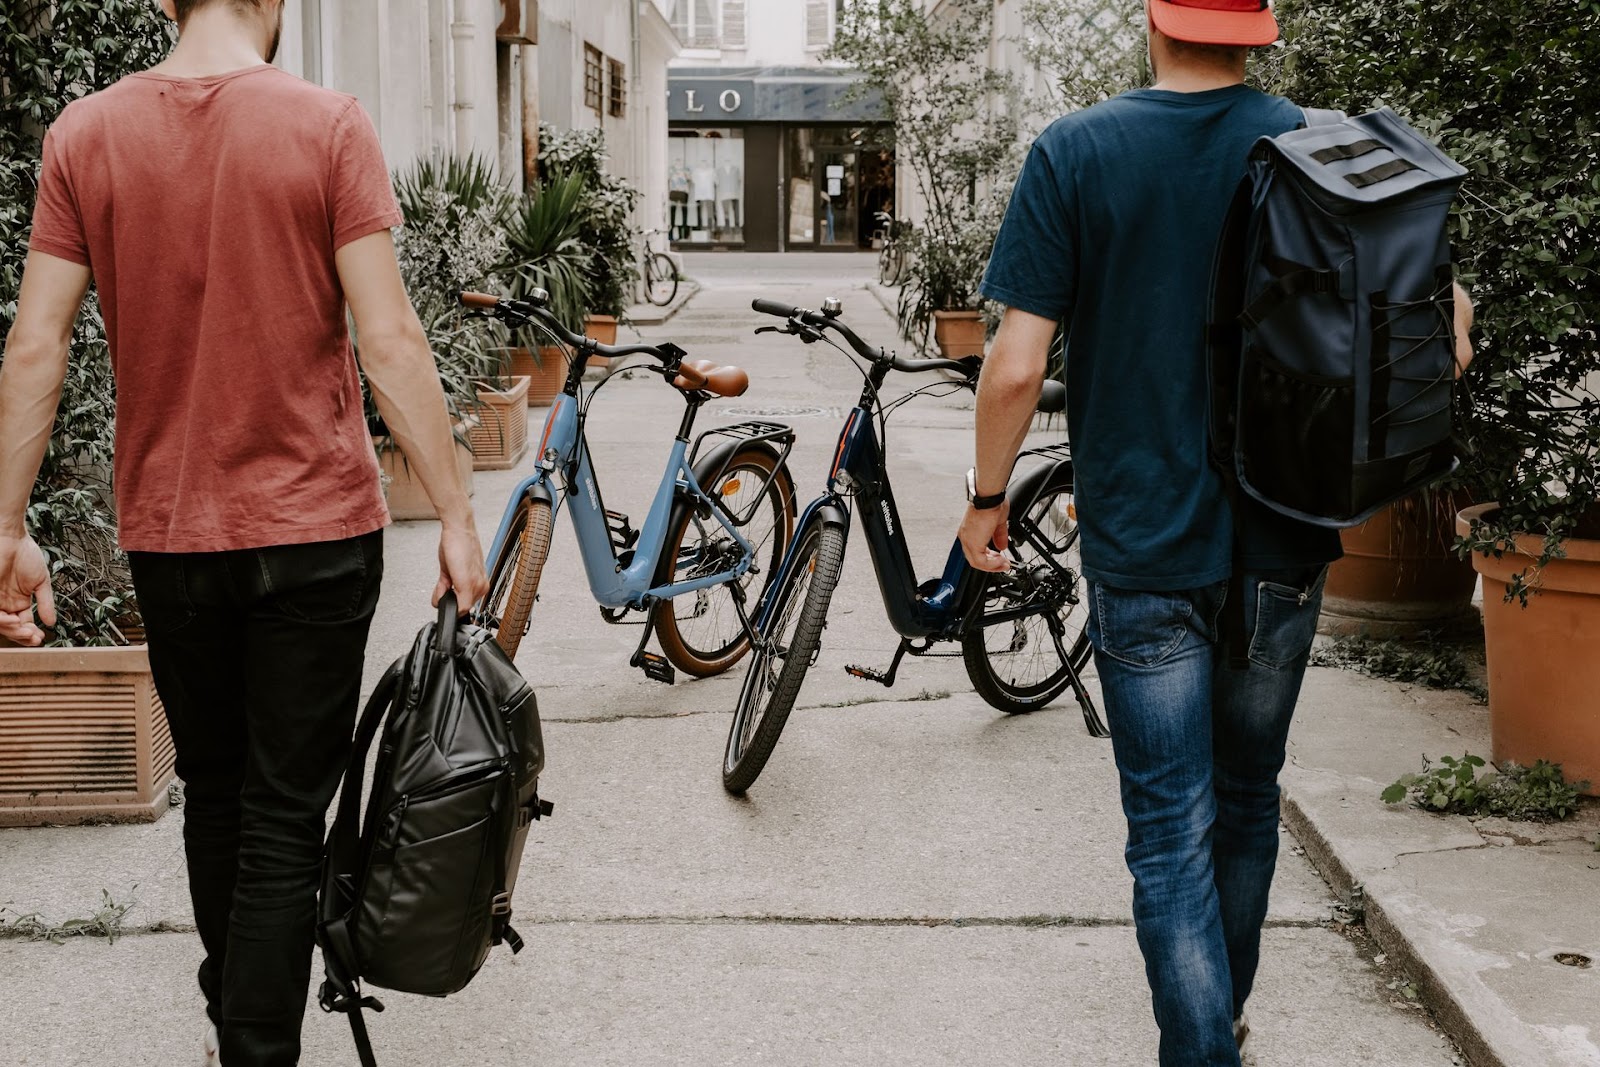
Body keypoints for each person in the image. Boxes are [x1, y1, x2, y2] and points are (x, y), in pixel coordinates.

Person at [956, 2, 1473, 1064]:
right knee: (1246, 796)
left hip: (1144, 539)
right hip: (1284, 535)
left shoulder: (1076, 151)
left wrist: (983, 495)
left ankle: (1202, 1048)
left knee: (1165, 834)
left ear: (1154, 18)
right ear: (1260, 32)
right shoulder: (1325, 154)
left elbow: (1013, 366)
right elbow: (1447, 336)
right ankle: (1217, 1018)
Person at [0, 1, 488, 1064]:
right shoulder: (326, 125)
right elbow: (391, 337)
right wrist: (454, 510)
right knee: (281, 813)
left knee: (216, 792)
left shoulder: (84, 135)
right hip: (315, 532)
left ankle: (237, 1018)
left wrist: (5, 527)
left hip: (170, 539)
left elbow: (34, 346)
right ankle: (253, 1044)